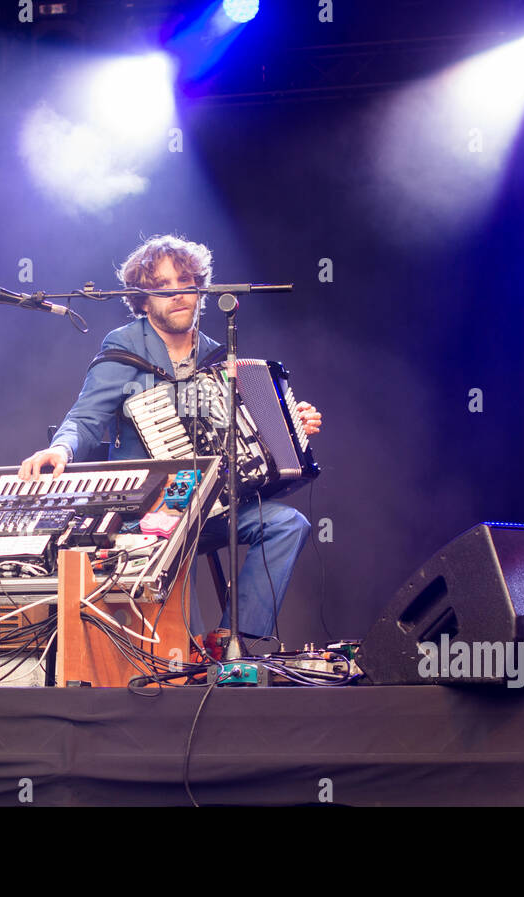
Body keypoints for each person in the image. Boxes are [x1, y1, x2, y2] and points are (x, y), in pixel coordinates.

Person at [18, 235, 322, 654]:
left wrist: (291, 427)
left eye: (186, 281)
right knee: (178, 536)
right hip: (145, 513)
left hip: (210, 506)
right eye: (163, 287)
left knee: (288, 523)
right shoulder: (123, 349)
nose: (179, 293)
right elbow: (85, 419)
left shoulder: (220, 357)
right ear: (143, 301)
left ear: (201, 288)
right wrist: (62, 449)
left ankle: (230, 641)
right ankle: (186, 652)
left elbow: (247, 432)